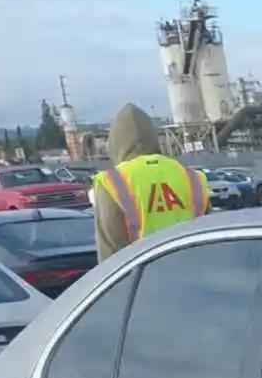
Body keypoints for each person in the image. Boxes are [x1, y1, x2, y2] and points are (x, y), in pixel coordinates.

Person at [89, 104, 209, 262]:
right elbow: (209, 233)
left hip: (146, 279)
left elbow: (109, 256)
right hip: (197, 272)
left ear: (115, 142)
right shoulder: (191, 176)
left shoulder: (111, 183)